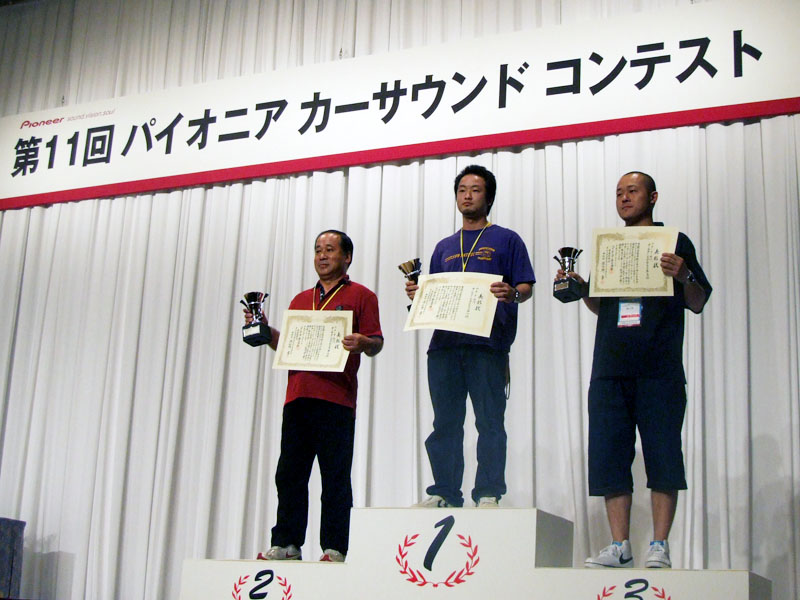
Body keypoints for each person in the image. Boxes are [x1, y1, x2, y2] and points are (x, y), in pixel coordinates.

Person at [557, 172, 712, 569]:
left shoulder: (674, 241)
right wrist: (580, 288)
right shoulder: (610, 245)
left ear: (653, 197)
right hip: (610, 366)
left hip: (659, 366)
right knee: (608, 454)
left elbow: (697, 301)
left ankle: (659, 544)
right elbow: (603, 305)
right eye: (618, 193)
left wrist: (685, 274)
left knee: (663, 453)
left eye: (632, 191)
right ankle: (619, 545)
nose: (624, 198)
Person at [245, 230, 383, 562]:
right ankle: (287, 542)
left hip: (337, 399)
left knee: (335, 476)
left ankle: (335, 547)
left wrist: (362, 342)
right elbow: (289, 345)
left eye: (330, 249)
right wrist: (264, 330)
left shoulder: (362, 296)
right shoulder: (300, 300)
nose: (322, 255)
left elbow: (376, 342)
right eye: (318, 250)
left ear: (347, 257)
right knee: (289, 474)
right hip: (297, 398)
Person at [406, 164, 535, 508]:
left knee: (489, 421)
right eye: (462, 190)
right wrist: (419, 296)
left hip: (487, 344)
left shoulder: (507, 239)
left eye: (475, 190)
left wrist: (513, 293)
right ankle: (445, 492)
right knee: (445, 423)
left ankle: (488, 492)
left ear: (488, 197)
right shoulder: (444, 247)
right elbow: (435, 294)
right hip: (444, 346)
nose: (467, 196)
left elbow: (525, 286)